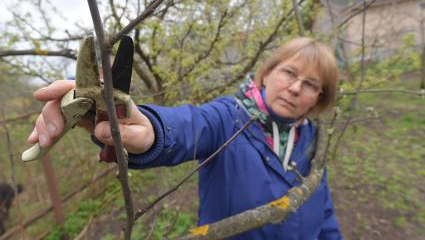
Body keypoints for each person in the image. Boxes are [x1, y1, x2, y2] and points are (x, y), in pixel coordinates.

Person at [27, 37, 342, 239]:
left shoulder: (311, 138)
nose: (296, 87)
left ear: (319, 98)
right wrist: (148, 128)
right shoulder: (228, 118)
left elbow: (323, 209)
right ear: (268, 72)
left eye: (311, 84)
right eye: (289, 73)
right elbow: (189, 125)